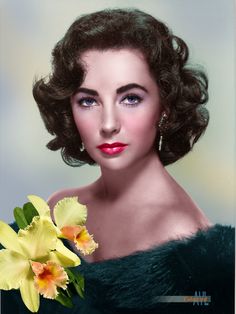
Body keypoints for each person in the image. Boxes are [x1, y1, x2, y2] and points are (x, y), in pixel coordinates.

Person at [1, 8, 234, 314]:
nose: (108, 123)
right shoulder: (59, 210)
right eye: (88, 101)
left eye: (131, 98)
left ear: (164, 106)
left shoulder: (194, 250)